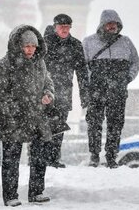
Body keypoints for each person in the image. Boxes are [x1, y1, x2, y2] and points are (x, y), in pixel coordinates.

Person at [0, 25, 55, 207]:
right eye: (26, 46)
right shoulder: (4, 66)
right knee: (11, 160)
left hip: (37, 117)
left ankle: (36, 192)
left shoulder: (39, 63)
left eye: (33, 46)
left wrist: (48, 94)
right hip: (14, 120)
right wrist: (7, 119)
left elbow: (48, 83)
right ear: (18, 45)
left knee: (40, 157)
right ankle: (10, 196)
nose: (30, 50)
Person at [83, 9, 139, 168]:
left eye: (115, 24)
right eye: (109, 24)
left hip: (118, 91)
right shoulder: (88, 42)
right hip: (96, 90)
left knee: (115, 124)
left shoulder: (126, 42)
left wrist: (128, 78)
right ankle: (94, 156)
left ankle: (111, 156)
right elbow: (82, 66)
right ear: (102, 25)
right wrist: (91, 81)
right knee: (94, 123)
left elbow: (136, 62)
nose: (112, 27)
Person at [42, 13, 89, 168]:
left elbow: (82, 71)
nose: (65, 29)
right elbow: (36, 67)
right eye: (62, 27)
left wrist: (84, 94)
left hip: (64, 92)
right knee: (42, 125)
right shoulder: (45, 44)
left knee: (59, 126)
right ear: (55, 27)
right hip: (45, 91)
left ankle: (54, 158)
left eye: (67, 27)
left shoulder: (75, 45)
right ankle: (39, 157)